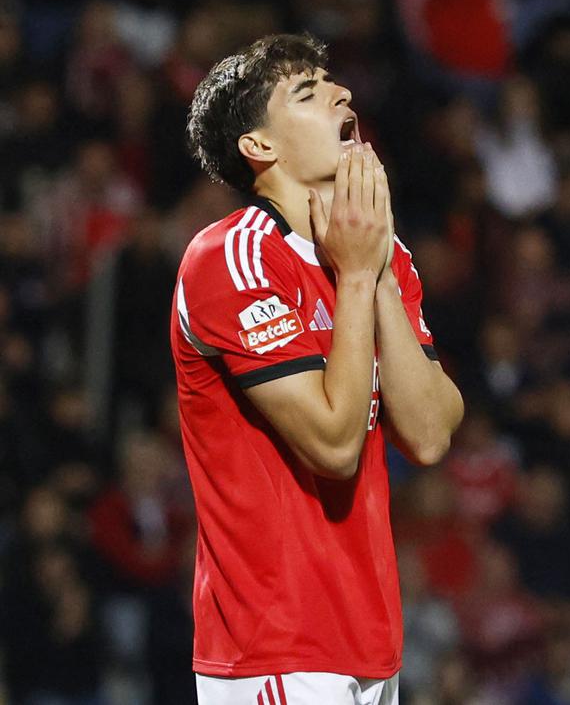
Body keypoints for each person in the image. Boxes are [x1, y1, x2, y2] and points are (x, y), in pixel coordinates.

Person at [173, 34, 463, 704]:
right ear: (260, 147)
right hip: (272, 646)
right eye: (308, 91)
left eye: (333, 81)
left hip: (371, 640)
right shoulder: (229, 259)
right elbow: (334, 446)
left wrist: (379, 272)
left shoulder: (378, 256)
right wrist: (360, 277)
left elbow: (427, 432)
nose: (343, 94)